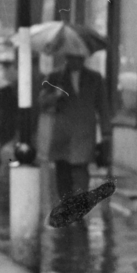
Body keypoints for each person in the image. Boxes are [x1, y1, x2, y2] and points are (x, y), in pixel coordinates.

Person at [37, 53, 111, 208]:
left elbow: (103, 107)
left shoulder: (95, 78)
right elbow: (42, 101)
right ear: (67, 57)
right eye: (72, 57)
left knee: (81, 171)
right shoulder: (55, 77)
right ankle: (65, 205)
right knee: (62, 171)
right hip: (62, 133)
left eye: (79, 57)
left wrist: (106, 133)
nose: (76, 61)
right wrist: (55, 96)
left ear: (83, 58)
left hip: (84, 132)